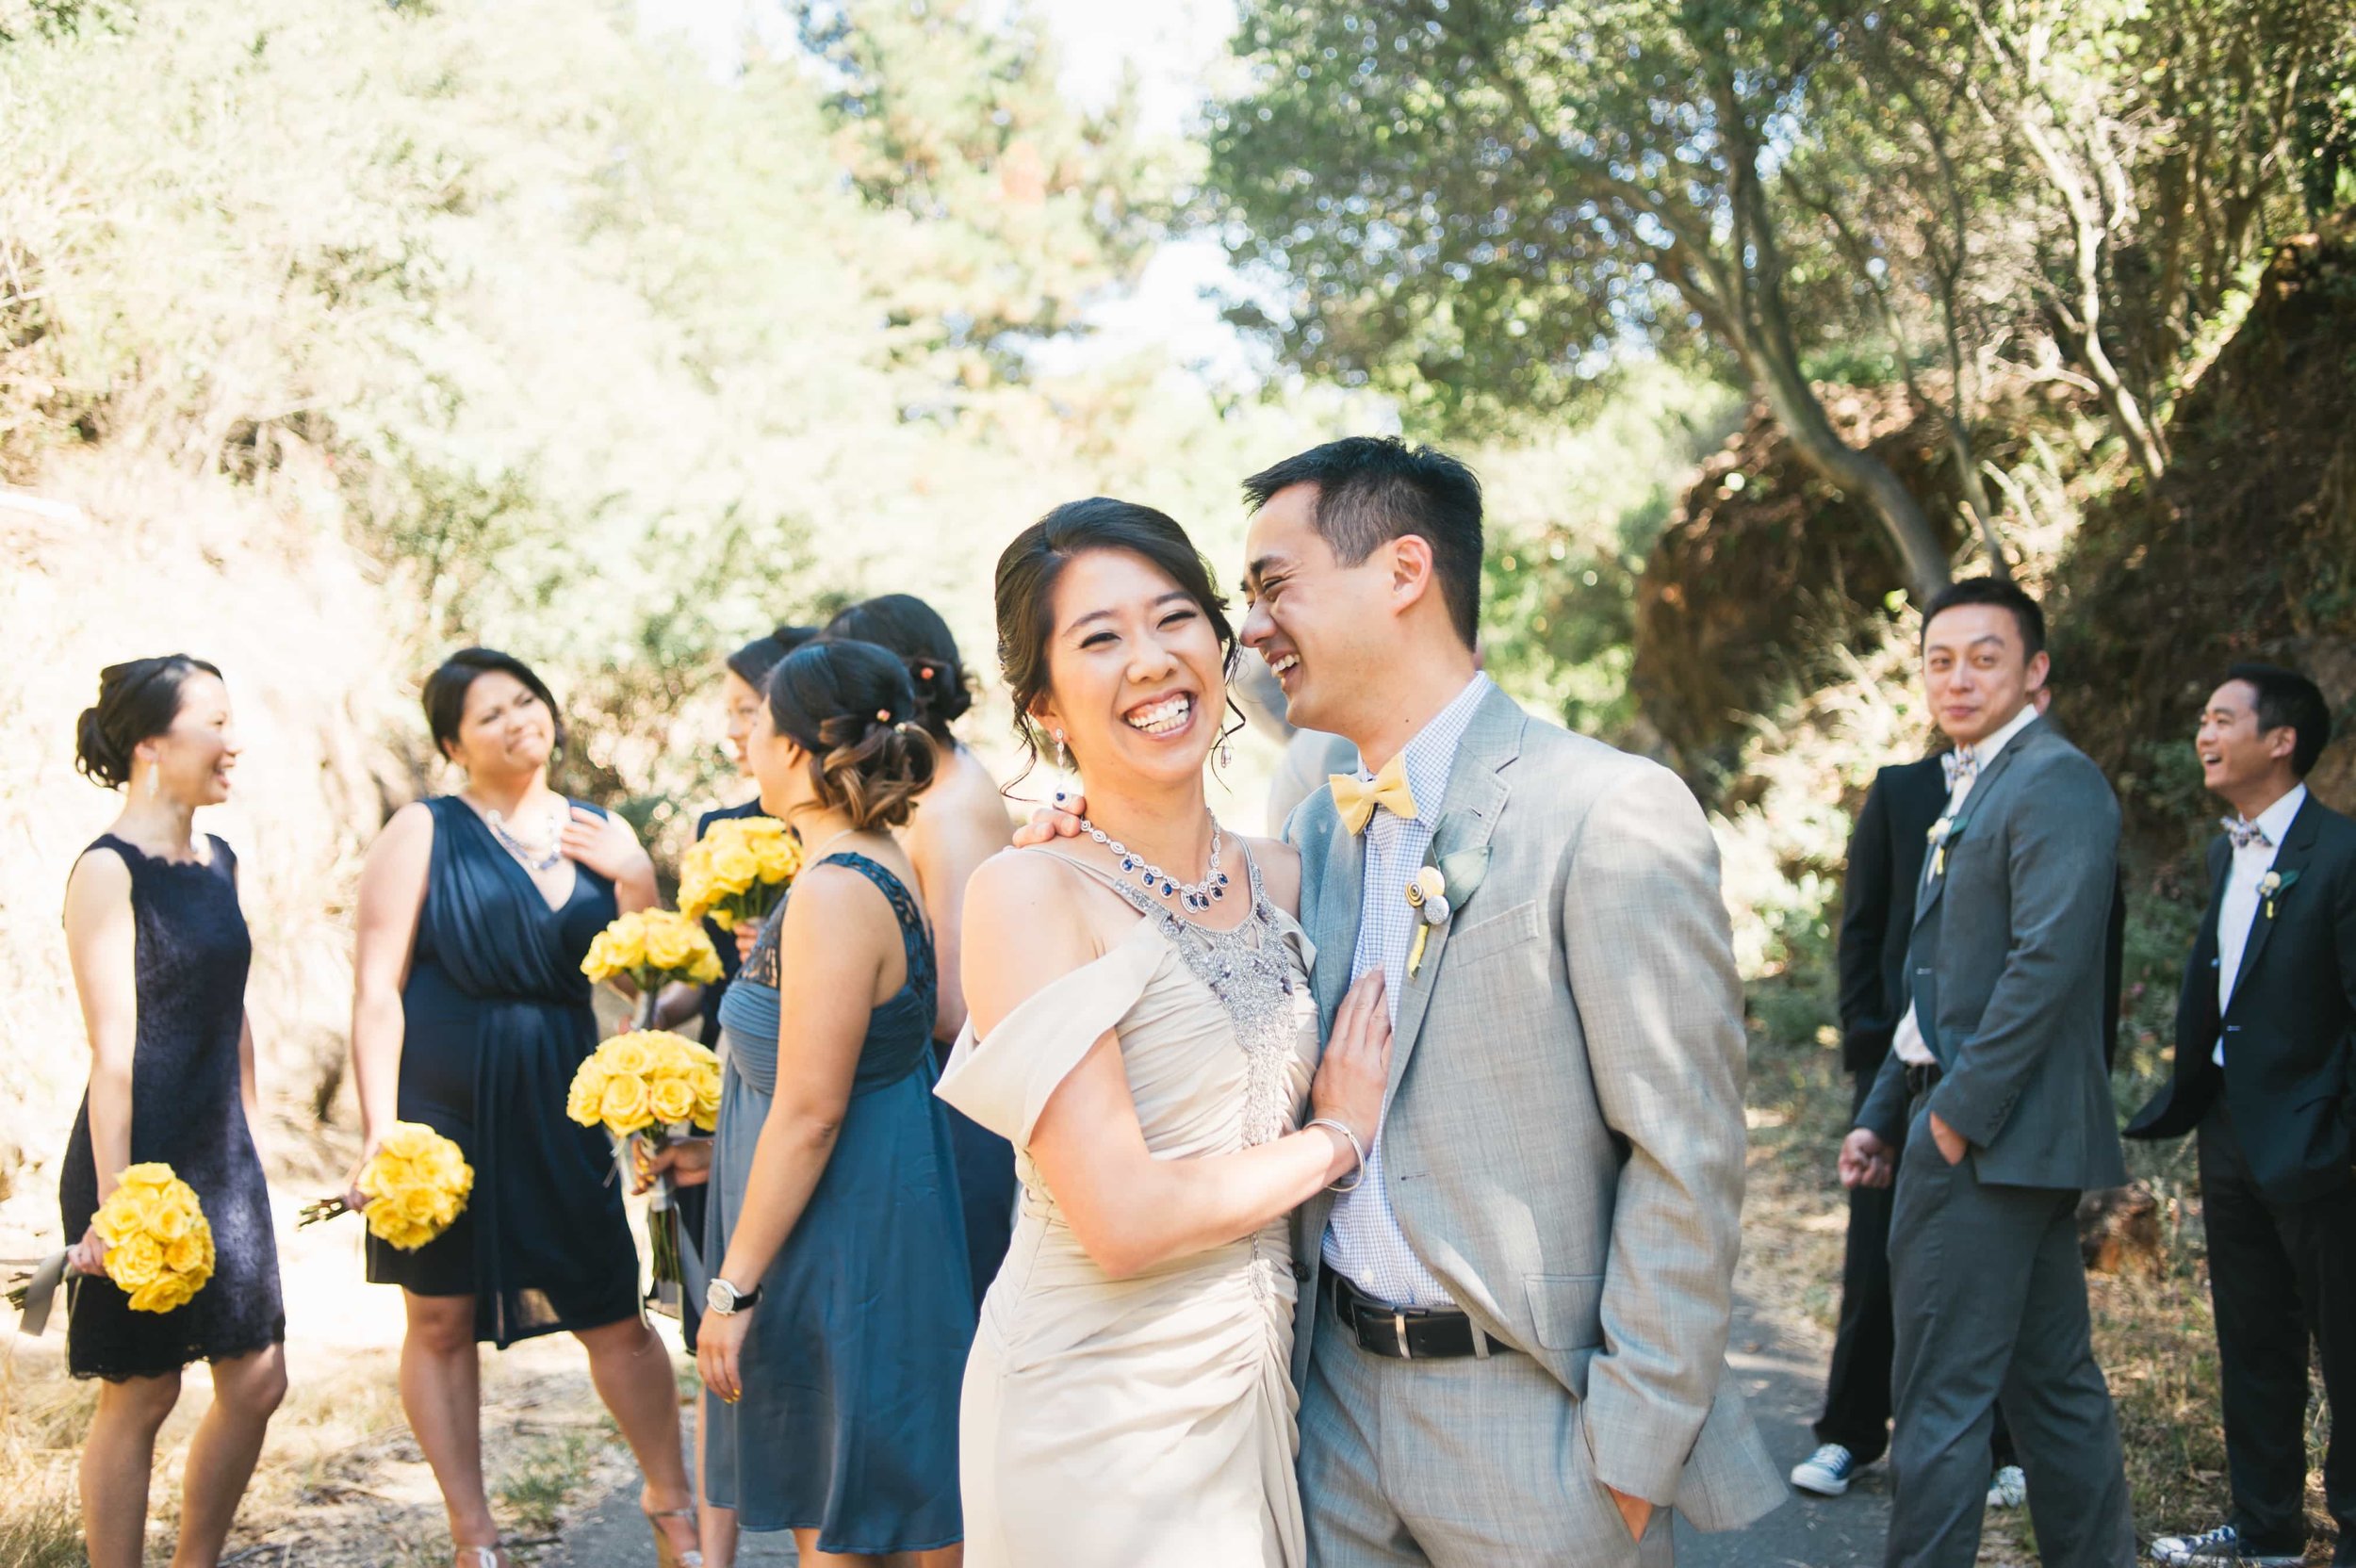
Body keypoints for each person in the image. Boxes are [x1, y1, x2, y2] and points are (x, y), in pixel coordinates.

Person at [936, 498, 1395, 1568]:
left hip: (1259, 1378)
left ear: (1220, 646)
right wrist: (1337, 1135)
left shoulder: (1285, 870)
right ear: (1045, 703)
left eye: (1174, 617)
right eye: (1098, 638)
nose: (1149, 659)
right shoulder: (1028, 890)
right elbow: (1124, 1217)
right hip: (1091, 1405)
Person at [345, 647, 697, 1568]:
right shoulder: (423, 828)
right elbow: (375, 988)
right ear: (454, 742)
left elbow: (641, 984)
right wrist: (381, 1128)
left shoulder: (600, 830)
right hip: (440, 1107)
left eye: (526, 697)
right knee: (438, 1315)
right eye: (490, 711)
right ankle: (477, 1537)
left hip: (558, 1096)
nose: (517, 718)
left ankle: (673, 1504)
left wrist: (634, 879)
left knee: (609, 1306)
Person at [1841, 578, 2135, 1568]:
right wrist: (1884, 1109)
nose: (1957, 677)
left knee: (1939, 1401)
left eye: (1984, 656)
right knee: (2053, 1389)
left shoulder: (2052, 779)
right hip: (1976, 1131)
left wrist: (1952, 1118)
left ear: (2034, 670)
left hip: (1986, 1136)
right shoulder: (1969, 779)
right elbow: (1935, 980)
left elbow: (2046, 962)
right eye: (1939, 658)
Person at [684, 637, 973, 1568]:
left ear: (803, 749)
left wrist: (732, 1285)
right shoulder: (863, 861)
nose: (746, 744)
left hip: (842, 1228)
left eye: (758, 724)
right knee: (853, 1504)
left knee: (854, 1519)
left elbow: (811, 1110)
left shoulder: (838, 887)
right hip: (855, 1205)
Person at [56, 656, 286, 1568]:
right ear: (152, 743)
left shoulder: (219, 860)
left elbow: (235, 1019)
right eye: (216, 722)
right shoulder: (106, 872)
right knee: (141, 1392)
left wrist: (255, 1145)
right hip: (139, 1157)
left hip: (221, 1152)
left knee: (258, 1378)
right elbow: (112, 1054)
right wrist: (117, 1205)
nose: (234, 741)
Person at [2130, 664, 2356, 1568]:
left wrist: (2341, 1139)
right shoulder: (2228, 850)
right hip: (2227, 1129)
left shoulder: (2341, 855)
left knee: (2345, 1353)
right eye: (2201, 717)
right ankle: (2266, 1529)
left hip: (2321, 1145)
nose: (2204, 734)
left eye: (2222, 718)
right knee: (2252, 1339)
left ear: (2282, 739)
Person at [643, 621, 815, 1568]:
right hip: (723, 1092)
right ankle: (713, 1552)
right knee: (708, 1321)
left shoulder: (840, 839)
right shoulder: (716, 834)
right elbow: (701, 979)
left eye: (751, 711)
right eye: (732, 714)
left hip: (799, 1098)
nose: (737, 731)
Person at [823, 595, 1019, 1310]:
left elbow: (959, 1003)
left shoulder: (951, 809)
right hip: (936, 1087)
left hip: (958, 1102)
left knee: (954, 1308)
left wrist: (841, 982)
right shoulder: (928, 783)